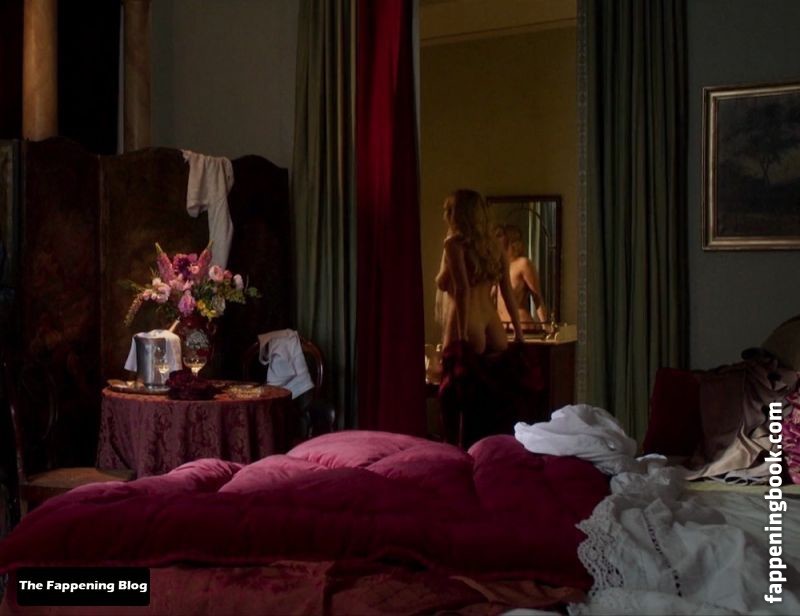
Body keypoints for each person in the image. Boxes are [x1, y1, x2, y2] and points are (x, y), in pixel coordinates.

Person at [435, 189, 524, 354]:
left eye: (448, 210)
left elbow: (462, 289)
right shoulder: (494, 246)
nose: (445, 216)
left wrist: (462, 335)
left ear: (457, 214)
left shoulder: (454, 245)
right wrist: (518, 332)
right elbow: (507, 292)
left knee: (456, 367)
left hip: (467, 321)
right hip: (492, 321)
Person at [494, 224, 548, 330]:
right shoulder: (497, 268)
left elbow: (537, 299)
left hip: (522, 327)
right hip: (501, 329)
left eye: (501, 236)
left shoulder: (523, 264)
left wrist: (545, 326)